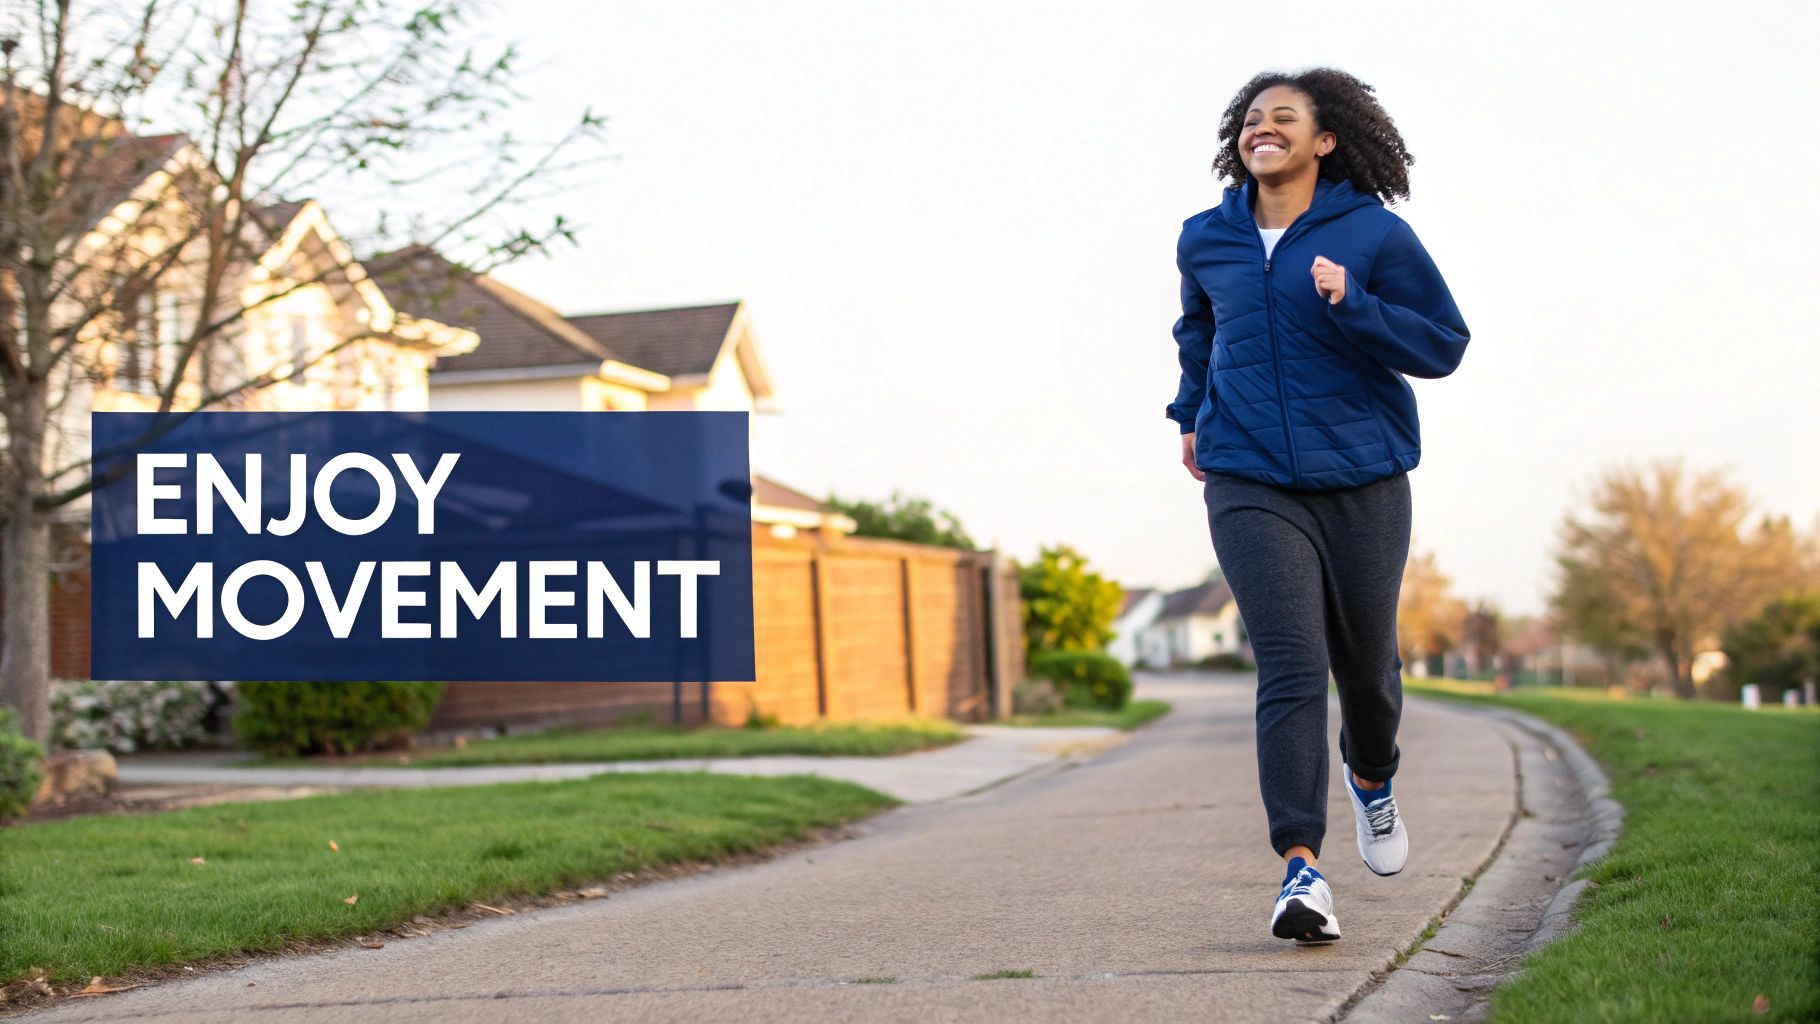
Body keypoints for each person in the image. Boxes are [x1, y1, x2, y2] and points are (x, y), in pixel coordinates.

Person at [1164, 68, 1471, 945]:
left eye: (1284, 118)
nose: (1264, 129)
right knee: (1291, 666)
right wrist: (1191, 417)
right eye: (1253, 119)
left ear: (1324, 140)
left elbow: (1442, 344)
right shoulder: (1205, 239)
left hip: (1364, 475)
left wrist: (1355, 303)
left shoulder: (1373, 233)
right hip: (1247, 474)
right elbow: (1200, 333)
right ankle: (1301, 869)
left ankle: (1371, 778)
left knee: (1367, 665)